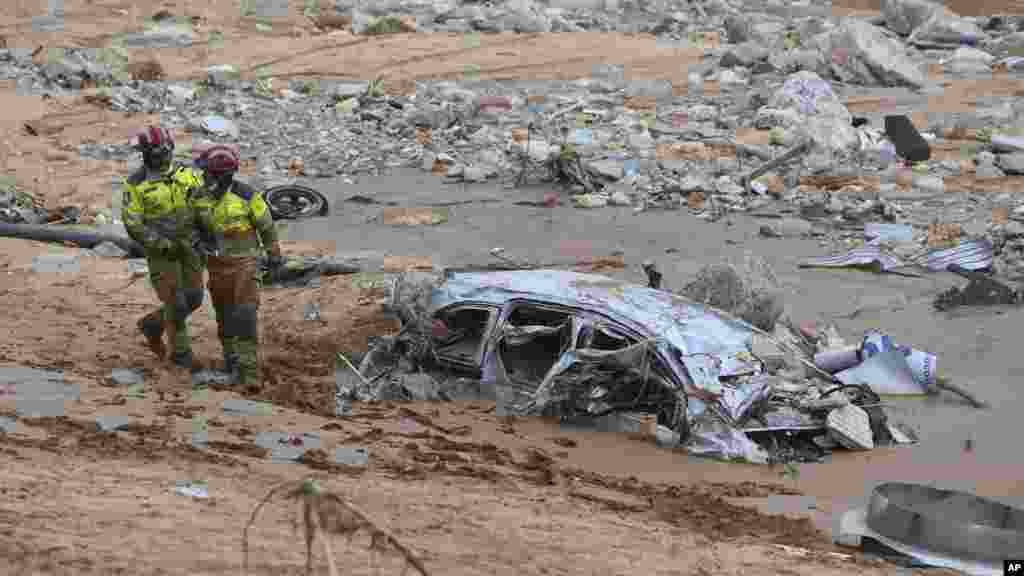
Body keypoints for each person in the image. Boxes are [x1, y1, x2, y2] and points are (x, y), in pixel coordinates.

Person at [191, 144, 284, 388]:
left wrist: (275, 258)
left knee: (245, 315)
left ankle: (250, 373)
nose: (203, 177)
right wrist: (197, 244)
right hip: (216, 265)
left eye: (208, 173)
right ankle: (232, 365)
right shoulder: (197, 197)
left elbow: (267, 228)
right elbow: (191, 228)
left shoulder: (247, 196)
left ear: (221, 176)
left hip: (245, 264)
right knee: (224, 317)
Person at [122, 125, 206, 369]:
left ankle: (153, 324)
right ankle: (181, 355)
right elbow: (132, 222)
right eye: (155, 152)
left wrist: (207, 233)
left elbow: (203, 202)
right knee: (176, 303)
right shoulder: (136, 184)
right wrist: (158, 243)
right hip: (161, 251)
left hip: (191, 246)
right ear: (146, 154)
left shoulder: (187, 174)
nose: (161, 156)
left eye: (164, 150)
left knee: (194, 298)